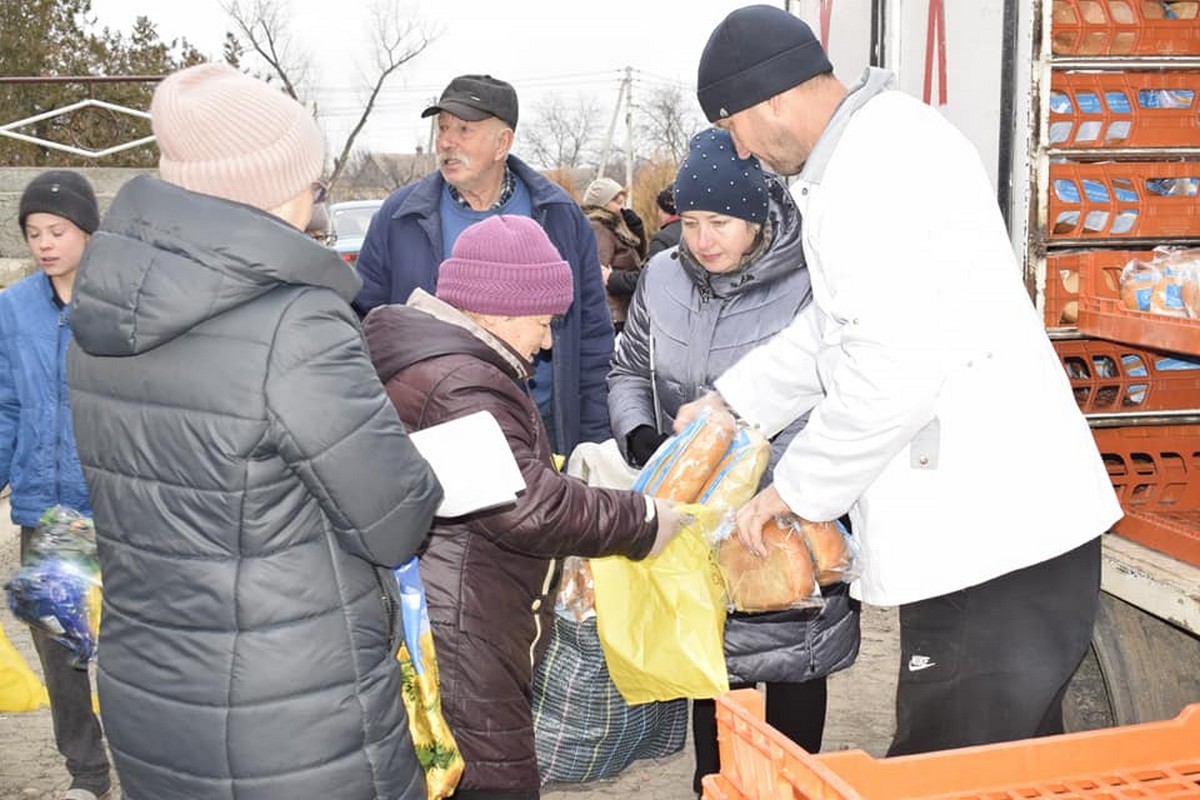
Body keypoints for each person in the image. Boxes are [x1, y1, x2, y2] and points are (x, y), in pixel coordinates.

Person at [677, 5, 1123, 757]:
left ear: (770, 101)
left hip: (990, 540)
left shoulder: (873, 171)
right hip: (998, 536)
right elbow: (836, 328)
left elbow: (891, 372)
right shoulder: (870, 152)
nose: (741, 152)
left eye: (733, 130)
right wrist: (733, 402)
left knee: (944, 768)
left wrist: (796, 492)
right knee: (1011, 769)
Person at [66, 63, 443, 799]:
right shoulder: (294, 323)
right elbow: (395, 521)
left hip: (151, 696)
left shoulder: (99, 315)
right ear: (272, 184)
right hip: (295, 719)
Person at [361, 214, 686, 800]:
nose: (546, 339)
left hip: (452, 612)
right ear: (495, 309)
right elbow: (527, 507)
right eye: (541, 322)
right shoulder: (462, 381)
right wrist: (643, 520)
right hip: (465, 629)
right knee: (497, 780)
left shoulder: (435, 364)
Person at [607, 129, 859, 793]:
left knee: (792, 663)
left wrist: (786, 487)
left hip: (787, 512)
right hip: (693, 511)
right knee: (712, 667)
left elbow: (837, 393)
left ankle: (789, 786)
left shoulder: (811, 279)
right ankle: (713, 785)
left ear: (758, 216)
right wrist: (641, 436)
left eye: (719, 221)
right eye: (689, 222)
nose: (702, 238)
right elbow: (630, 366)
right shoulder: (661, 277)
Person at [354, 74, 614, 457]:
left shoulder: (559, 215)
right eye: (442, 128)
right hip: (432, 434)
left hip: (542, 430)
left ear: (502, 143)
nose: (446, 141)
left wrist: (592, 442)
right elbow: (363, 327)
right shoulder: (400, 217)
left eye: (464, 129)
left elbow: (592, 335)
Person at [0, 170, 112, 800]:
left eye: (58, 230)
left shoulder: (122, 304)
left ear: (88, 233)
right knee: (62, 654)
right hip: (51, 516)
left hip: (118, 506)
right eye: (33, 232)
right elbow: (6, 404)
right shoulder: (12, 309)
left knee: (131, 649)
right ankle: (86, 776)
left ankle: (152, 762)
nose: (45, 243)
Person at [580, 177, 646, 332]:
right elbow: (597, 272)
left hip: (622, 309)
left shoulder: (615, 227)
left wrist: (637, 229)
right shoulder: (599, 228)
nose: (622, 208)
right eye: (617, 202)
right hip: (614, 314)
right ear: (603, 203)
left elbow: (639, 258)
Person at [645, 184, 681, 259]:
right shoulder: (697, 231)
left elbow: (653, 269)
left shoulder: (662, 239)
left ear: (665, 210)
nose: (659, 214)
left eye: (659, 209)